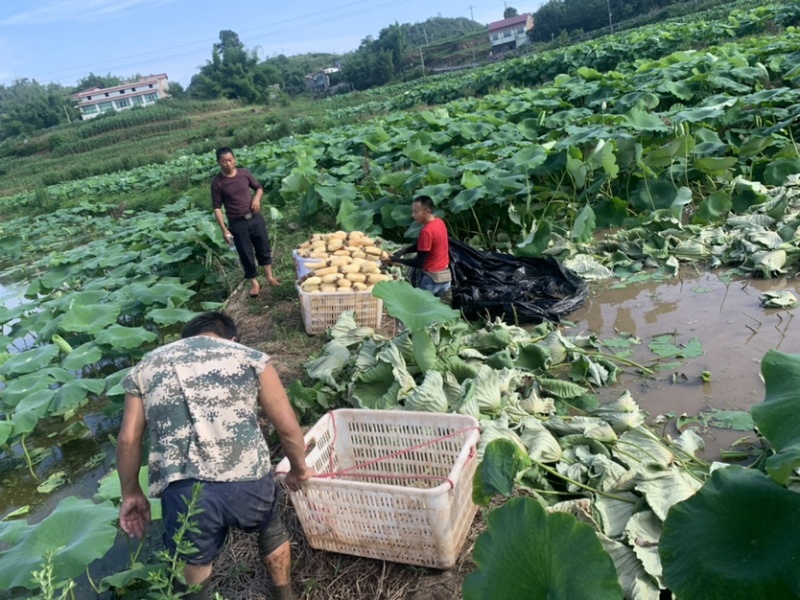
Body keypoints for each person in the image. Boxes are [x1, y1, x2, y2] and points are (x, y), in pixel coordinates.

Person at [116, 311, 313, 600]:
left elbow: (128, 439)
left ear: (186, 340)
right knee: (271, 527)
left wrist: (131, 492)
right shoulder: (250, 357)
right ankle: (285, 594)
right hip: (249, 481)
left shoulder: (146, 366)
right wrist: (299, 469)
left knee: (193, 561)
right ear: (232, 339)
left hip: (184, 489)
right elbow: (287, 426)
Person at [211, 147, 279, 297]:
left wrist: (256, 198)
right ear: (218, 163)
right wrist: (224, 230)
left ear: (234, 159)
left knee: (263, 247)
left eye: (230, 160)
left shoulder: (244, 174)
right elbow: (217, 208)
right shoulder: (217, 183)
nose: (228, 164)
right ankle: (254, 283)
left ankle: (269, 277)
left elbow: (259, 188)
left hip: (255, 217)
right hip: (237, 223)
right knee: (245, 253)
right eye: (224, 161)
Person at [383, 195, 452, 297]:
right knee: (436, 309)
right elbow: (424, 246)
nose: (413, 215)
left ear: (427, 211)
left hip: (431, 280)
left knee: (420, 309)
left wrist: (396, 260)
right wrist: (403, 251)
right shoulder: (439, 222)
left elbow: (419, 263)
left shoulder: (426, 231)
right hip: (445, 277)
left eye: (416, 212)